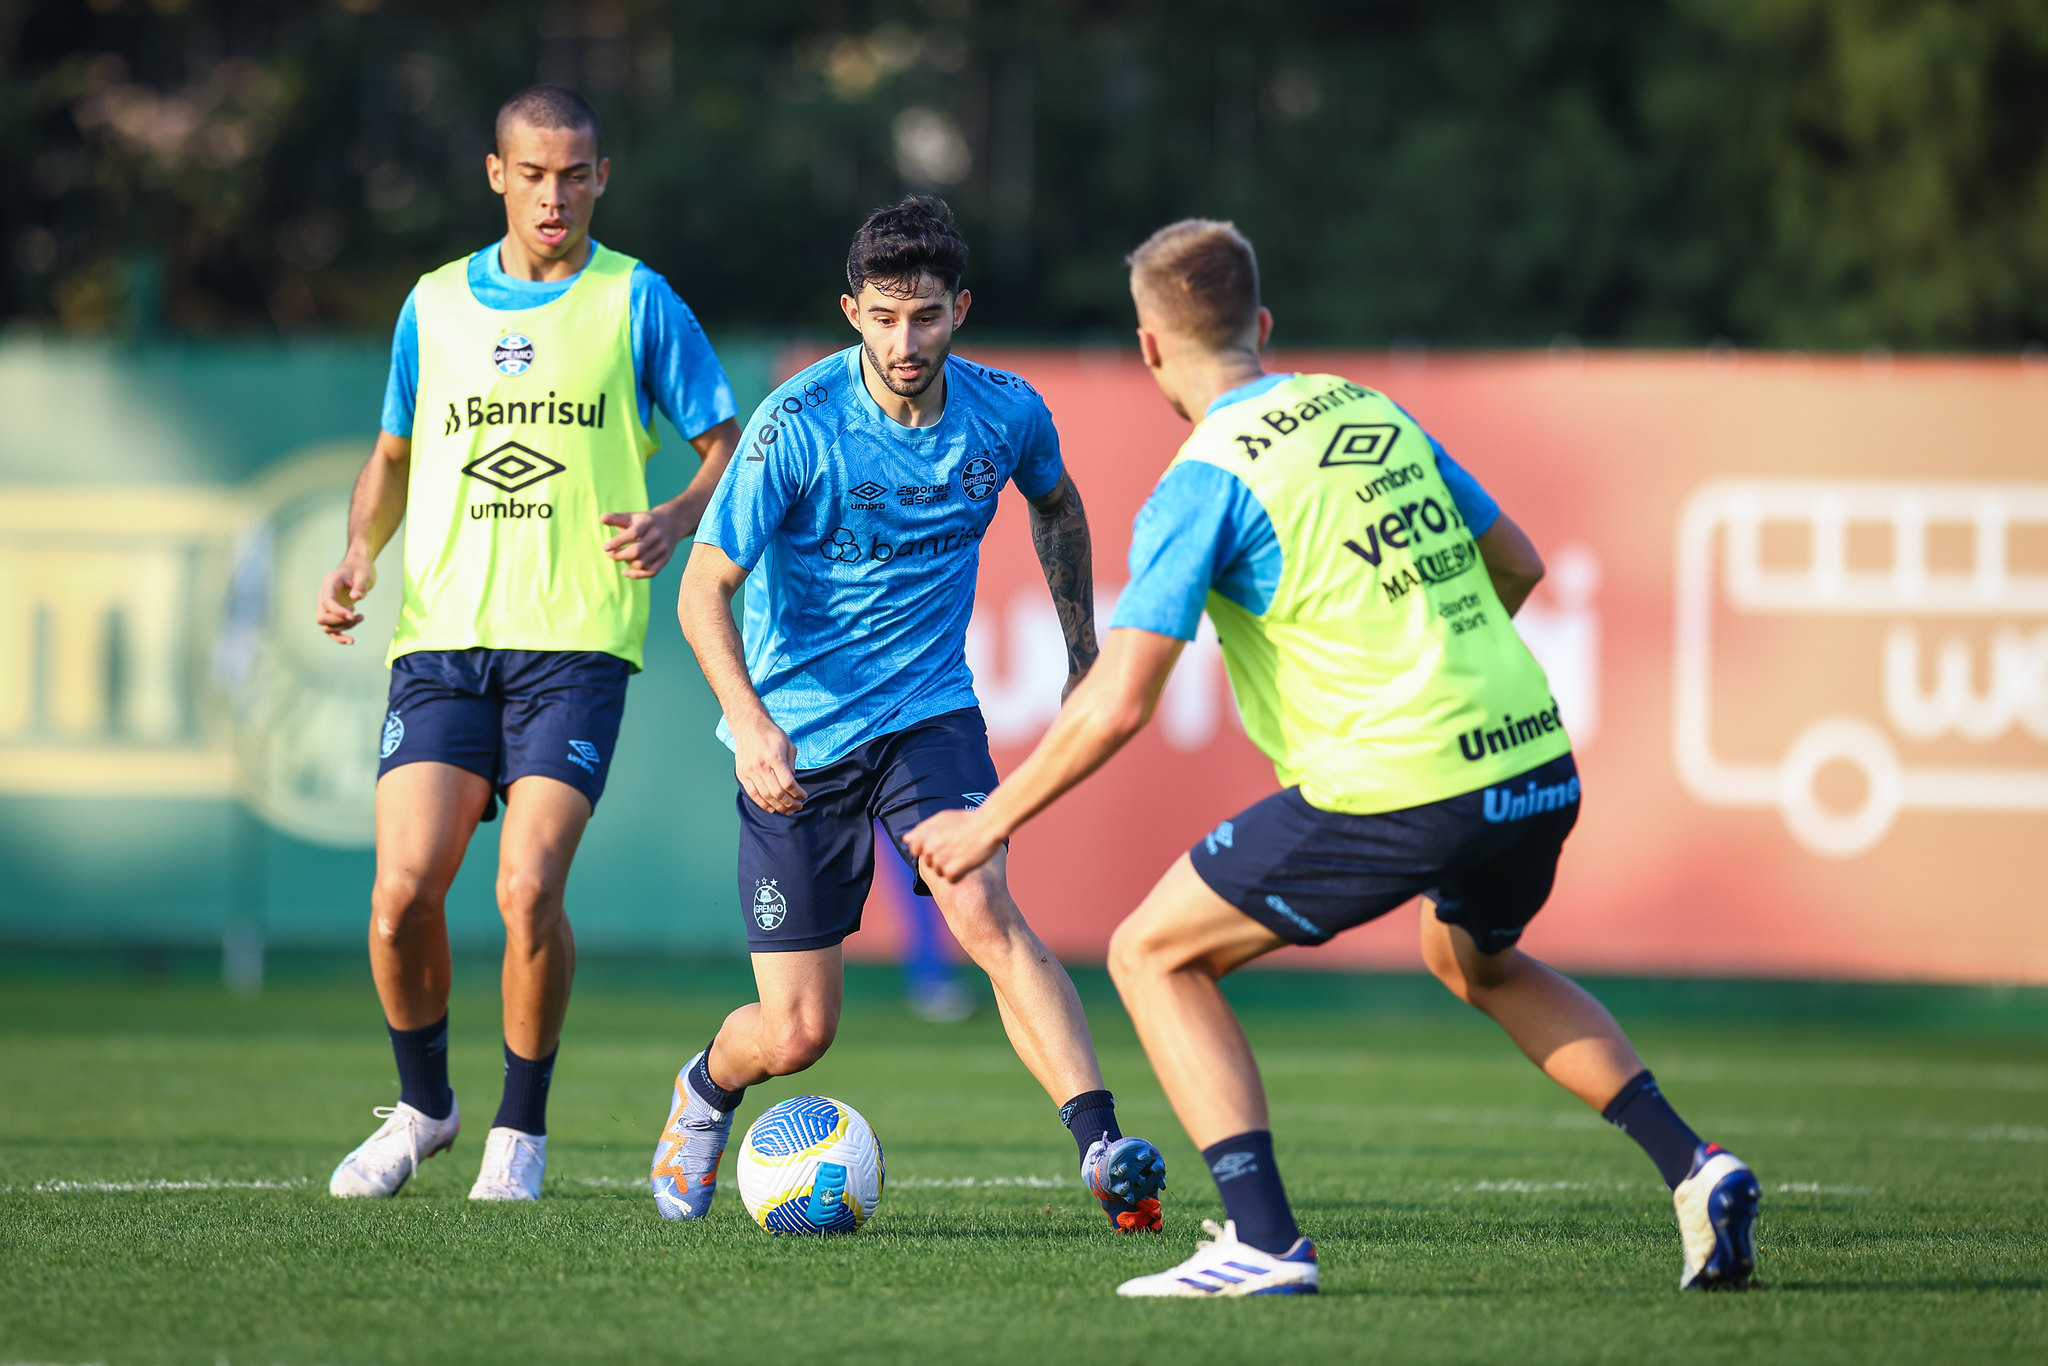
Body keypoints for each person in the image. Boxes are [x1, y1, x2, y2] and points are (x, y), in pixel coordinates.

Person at [906, 219, 1760, 1295]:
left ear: (1150, 349)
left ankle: (1263, 1242)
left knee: (1152, 954)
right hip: (1535, 757)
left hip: (1406, 778)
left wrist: (985, 822)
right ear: (1261, 325)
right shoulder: (1367, 410)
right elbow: (1518, 564)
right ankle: (1695, 1168)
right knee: (1475, 962)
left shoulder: (1201, 481)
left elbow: (1118, 701)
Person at [651, 196, 1166, 1232]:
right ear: (852, 312)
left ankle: (1102, 1147)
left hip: (931, 716)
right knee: (797, 1034)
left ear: (958, 310)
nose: (904, 341)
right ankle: (703, 1089)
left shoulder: (1006, 412)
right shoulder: (795, 424)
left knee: (981, 903)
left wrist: (1081, 653)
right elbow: (701, 589)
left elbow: (1056, 504)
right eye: (883, 317)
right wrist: (749, 724)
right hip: (798, 737)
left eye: (925, 316)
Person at [315, 85, 740, 1201]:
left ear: (602, 178)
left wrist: (675, 514)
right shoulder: (433, 304)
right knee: (400, 898)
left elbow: (725, 443)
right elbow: (393, 455)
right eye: (534, 174)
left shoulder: (636, 300)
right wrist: (358, 552)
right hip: (441, 642)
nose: (555, 195)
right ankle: (425, 1107)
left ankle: (520, 1129)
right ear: (497, 176)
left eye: (575, 174)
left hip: (576, 647)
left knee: (525, 887)